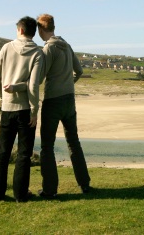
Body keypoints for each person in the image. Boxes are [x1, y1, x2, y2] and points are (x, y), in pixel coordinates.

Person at [36, 13, 91, 198]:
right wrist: (69, 83)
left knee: (47, 146)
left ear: (41, 28)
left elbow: (40, 77)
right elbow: (80, 71)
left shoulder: (48, 49)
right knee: (74, 142)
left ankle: (50, 190)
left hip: (53, 101)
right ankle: (84, 184)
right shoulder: (67, 46)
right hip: (69, 99)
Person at [0, 16, 43, 202]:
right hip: (25, 110)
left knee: (3, 152)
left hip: (7, 108)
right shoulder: (38, 53)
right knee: (24, 154)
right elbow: (33, 86)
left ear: (20, 30)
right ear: (32, 32)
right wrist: (34, 111)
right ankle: (20, 195)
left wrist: (3, 96)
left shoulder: (6, 48)